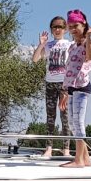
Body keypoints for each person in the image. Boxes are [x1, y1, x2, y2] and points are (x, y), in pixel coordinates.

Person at [30, 16, 72, 158]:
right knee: (50, 116)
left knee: (65, 116)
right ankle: (48, 147)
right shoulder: (48, 45)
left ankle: (66, 149)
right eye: (55, 27)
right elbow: (35, 59)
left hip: (64, 84)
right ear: (51, 29)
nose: (57, 29)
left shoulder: (69, 44)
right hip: (50, 83)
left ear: (65, 29)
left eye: (60, 26)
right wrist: (41, 44)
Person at [59, 9, 91, 168]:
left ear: (84, 24)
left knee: (78, 122)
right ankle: (85, 158)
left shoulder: (88, 42)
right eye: (71, 26)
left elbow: (89, 57)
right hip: (71, 87)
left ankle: (78, 160)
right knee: (72, 123)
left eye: (76, 26)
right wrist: (65, 91)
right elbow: (69, 68)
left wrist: (89, 36)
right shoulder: (72, 46)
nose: (73, 29)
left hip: (82, 86)